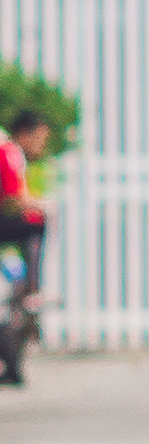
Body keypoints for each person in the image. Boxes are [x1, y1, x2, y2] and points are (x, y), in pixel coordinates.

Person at [0, 108, 52, 304]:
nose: (41, 146)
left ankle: (23, 286)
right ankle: (31, 289)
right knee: (36, 221)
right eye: (39, 139)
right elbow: (14, 197)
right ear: (24, 134)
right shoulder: (10, 151)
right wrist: (43, 205)